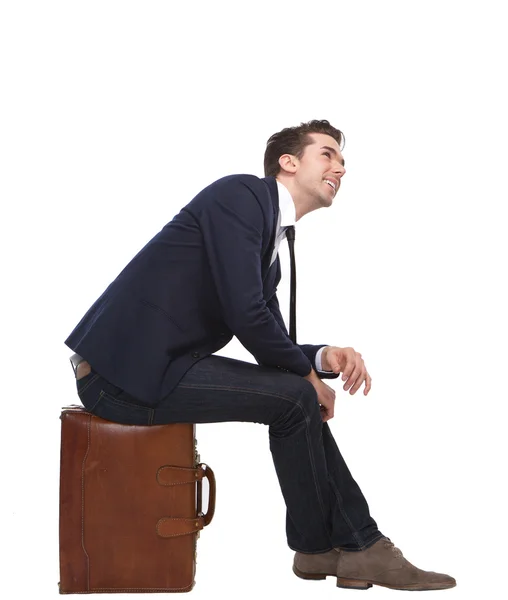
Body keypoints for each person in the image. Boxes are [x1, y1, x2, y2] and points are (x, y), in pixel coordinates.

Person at [65, 119, 456, 591]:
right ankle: (357, 546)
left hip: (156, 369)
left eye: (343, 160)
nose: (341, 168)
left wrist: (321, 359)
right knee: (295, 397)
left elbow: (263, 321)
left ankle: (325, 549)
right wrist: (305, 380)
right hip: (120, 377)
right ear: (289, 163)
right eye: (328, 154)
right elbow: (248, 313)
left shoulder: (269, 239)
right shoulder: (241, 196)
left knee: (295, 398)